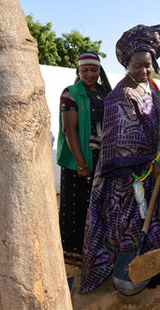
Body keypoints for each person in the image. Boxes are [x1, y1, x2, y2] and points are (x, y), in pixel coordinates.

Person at [80, 25, 160, 294]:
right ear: (126, 64)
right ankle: (136, 275)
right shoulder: (120, 95)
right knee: (134, 227)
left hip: (156, 168)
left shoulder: (148, 86)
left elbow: (157, 112)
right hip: (130, 178)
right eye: (138, 66)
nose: (144, 71)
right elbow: (122, 141)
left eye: (148, 65)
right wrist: (147, 165)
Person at [56, 51, 112, 265]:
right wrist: (82, 164)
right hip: (79, 160)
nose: (90, 74)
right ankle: (74, 254)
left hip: (102, 158)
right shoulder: (70, 93)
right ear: (78, 71)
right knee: (77, 206)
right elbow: (69, 130)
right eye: (85, 70)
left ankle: (97, 251)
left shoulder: (104, 93)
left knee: (97, 206)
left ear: (100, 70)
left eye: (94, 70)